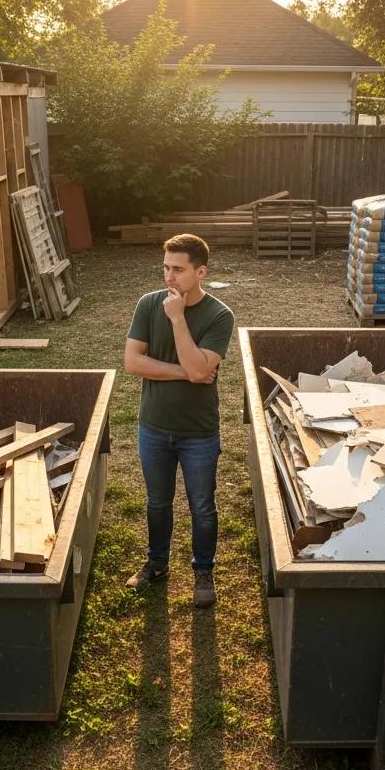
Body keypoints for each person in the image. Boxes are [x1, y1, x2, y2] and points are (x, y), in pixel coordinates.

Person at [123, 234, 235, 609]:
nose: (169, 277)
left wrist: (177, 319)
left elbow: (200, 367)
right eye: (166, 268)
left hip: (198, 432)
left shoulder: (219, 315)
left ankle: (203, 570)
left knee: (202, 507)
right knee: (157, 502)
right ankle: (157, 564)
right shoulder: (147, 304)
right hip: (153, 427)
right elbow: (133, 363)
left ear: (200, 272)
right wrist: (186, 373)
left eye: (178, 269)